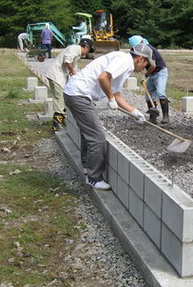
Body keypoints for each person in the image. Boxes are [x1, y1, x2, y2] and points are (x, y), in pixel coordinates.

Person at [63, 44, 151, 190]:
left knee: (89, 133)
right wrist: (109, 99)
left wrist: (134, 112)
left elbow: (117, 94)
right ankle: (93, 178)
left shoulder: (124, 63)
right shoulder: (124, 61)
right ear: (141, 58)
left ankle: (87, 167)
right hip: (79, 95)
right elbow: (103, 77)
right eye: (146, 64)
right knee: (98, 137)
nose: (145, 68)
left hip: (75, 93)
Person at [45, 38, 94, 131]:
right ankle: (56, 124)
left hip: (60, 77)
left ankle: (61, 119)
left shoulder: (76, 53)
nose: (87, 53)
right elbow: (67, 62)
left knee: (63, 97)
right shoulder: (74, 49)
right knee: (59, 98)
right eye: (88, 50)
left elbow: (75, 69)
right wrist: (72, 71)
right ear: (86, 48)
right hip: (56, 76)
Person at [128, 35, 170, 124]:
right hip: (152, 73)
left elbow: (153, 65)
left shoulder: (148, 49)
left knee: (160, 92)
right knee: (149, 95)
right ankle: (152, 118)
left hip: (160, 72)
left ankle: (166, 117)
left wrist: (146, 74)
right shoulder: (141, 50)